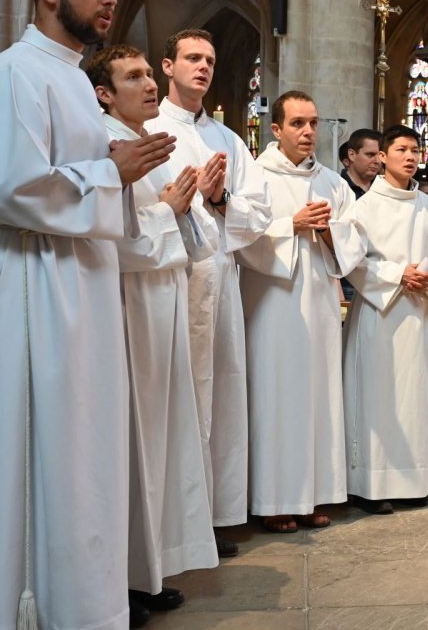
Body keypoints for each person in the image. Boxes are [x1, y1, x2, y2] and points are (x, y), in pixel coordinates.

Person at [0, 0, 175, 630]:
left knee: (84, 459)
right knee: (43, 458)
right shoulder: (11, 76)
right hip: (32, 287)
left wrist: (118, 168)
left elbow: (84, 181)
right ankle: (29, 604)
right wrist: (114, 170)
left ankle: (85, 603)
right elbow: (5, 186)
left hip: (79, 288)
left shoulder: (75, 83)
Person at [89, 44, 218, 625]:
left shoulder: (152, 147)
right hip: (127, 310)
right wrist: (172, 210)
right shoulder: (106, 146)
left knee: (161, 440)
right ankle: (118, 578)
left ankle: (149, 569)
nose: (147, 86)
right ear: (103, 93)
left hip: (162, 304)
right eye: (133, 76)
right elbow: (112, 243)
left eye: (147, 74)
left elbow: (192, 238)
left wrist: (190, 206)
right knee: (130, 445)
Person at [146, 28, 273, 556]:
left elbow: (259, 213)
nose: (202, 67)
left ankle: (217, 516)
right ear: (167, 66)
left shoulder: (230, 139)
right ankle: (173, 523)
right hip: (168, 280)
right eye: (192, 58)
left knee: (221, 392)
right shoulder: (148, 128)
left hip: (220, 283)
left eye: (210, 60)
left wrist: (221, 199)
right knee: (177, 396)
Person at [236, 91, 355, 532]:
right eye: (298, 124)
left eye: (313, 123)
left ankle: (312, 495)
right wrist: (292, 225)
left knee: (317, 396)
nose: (308, 132)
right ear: (277, 129)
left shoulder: (332, 182)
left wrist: (328, 234)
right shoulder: (257, 175)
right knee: (276, 395)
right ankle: (272, 500)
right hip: (272, 302)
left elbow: (354, 241)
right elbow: (240, 232)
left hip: (321, 299)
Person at [337, 125, 428, 512]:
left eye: (415, 149)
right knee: (378, 397)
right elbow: (354, 262)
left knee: (413, 398)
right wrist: (397, 275)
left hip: (417, 312)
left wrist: (426, 277)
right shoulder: (364, 207)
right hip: (379, 314)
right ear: (382, 157)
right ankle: (371, 486)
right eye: (401, 149)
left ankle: (413, 478)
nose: (410, 156)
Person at [341, 128, 382, 199]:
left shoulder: (384, 188)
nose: (377, 161)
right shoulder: (337, 188)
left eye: (380, 155)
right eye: (370, 154)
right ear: (352, 155)